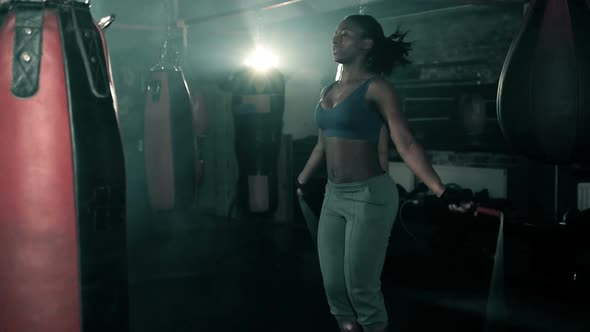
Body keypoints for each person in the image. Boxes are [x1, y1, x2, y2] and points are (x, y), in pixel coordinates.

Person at [296, 14, 472, 332]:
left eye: (345, 35)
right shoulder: (328, 89)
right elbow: (321, 145)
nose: (335, 39)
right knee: (335, 289)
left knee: (361, 290)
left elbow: (404, 143)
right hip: (333, 197)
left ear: (366, 44)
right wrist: (301, 181)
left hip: (369, 197)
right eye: (335, 34)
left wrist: (441, 191)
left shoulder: (377, 89)